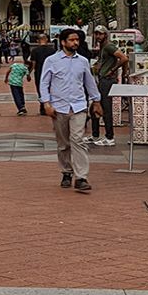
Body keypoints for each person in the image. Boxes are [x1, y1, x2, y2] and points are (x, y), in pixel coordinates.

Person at [40, 27, 101, 193]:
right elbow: (44, 83)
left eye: (77, 40)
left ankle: (81, 177)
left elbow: (89, 82)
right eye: (72, 40)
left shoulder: (83, 61)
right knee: (63, 144)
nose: (76, 43)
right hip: (59, 107)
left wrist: (96, 100)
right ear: (63, 42)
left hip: (79, 106)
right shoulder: (51, 61)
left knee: (77, 140)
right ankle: (66, 172)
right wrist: (46, 103)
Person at [87, 25, 127, 147]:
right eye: (96, 34)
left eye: (100, 34)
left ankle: (109, 137)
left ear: (105, 34)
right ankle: (95, 135)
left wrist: (112, 70)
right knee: (95, 106)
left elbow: (124, 58)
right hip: (102, 79)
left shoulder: (109, 46)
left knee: (106, 108)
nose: (98, 36)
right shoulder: (103, 47)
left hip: (107, 80)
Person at [5, 51, 30, 115]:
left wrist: (6, 78)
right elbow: (28, 78)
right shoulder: (25, 68)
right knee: (21, 94)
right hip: (19, 83)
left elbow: (8, 71)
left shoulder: (14, 65)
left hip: (12, 82)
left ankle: (21, 108)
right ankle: (22, 106)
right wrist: (27, 77)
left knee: (16, 95)